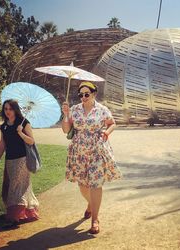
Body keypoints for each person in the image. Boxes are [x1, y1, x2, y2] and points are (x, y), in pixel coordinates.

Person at [62, 81, 121, 234]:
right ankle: (91, 204)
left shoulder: (102, 110)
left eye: (86, 94)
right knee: (83, 186)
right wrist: (66, 114)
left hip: (97, 149)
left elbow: (112, 123)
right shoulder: (74, 110)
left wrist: (107, 132)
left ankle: (95, 219)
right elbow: (65, 130)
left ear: (94, 94)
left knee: (95, 184)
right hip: (79, 150)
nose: (83, 97)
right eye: (81, 94)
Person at [0, 99, 39, 225]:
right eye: (5, 109)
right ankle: (27, 211)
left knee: (15, 186)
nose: (7, 111)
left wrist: (20, 133)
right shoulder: (4, 126)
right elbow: (2, 146)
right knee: (19, 185)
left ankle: (14, 216)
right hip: (10, 160)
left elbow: (31, 141)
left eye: (10, 109)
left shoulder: (24, 123)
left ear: (15, 109)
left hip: (22, 159)